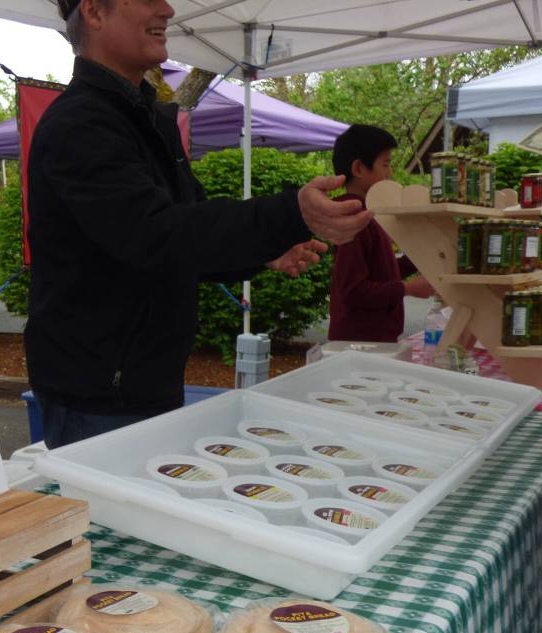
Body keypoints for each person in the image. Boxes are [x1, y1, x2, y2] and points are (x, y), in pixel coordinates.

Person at [24, 0, 374, 449]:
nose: (167, 9)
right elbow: (153, 234)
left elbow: (184, 234)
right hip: (99, 394)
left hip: (139, 380)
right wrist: (291, 214)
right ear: (93, 12)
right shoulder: (81, 124)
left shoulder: (143, 116)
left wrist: (264, 251)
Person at [327, 124, 435, 343]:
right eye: (385, 164)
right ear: (358, 168)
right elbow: (354, 290)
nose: (390, 173)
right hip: (358, 344)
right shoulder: (353, 219)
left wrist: (419, 255)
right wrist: (409, 288)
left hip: (374, 339)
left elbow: (383, 272)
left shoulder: (368, 215)